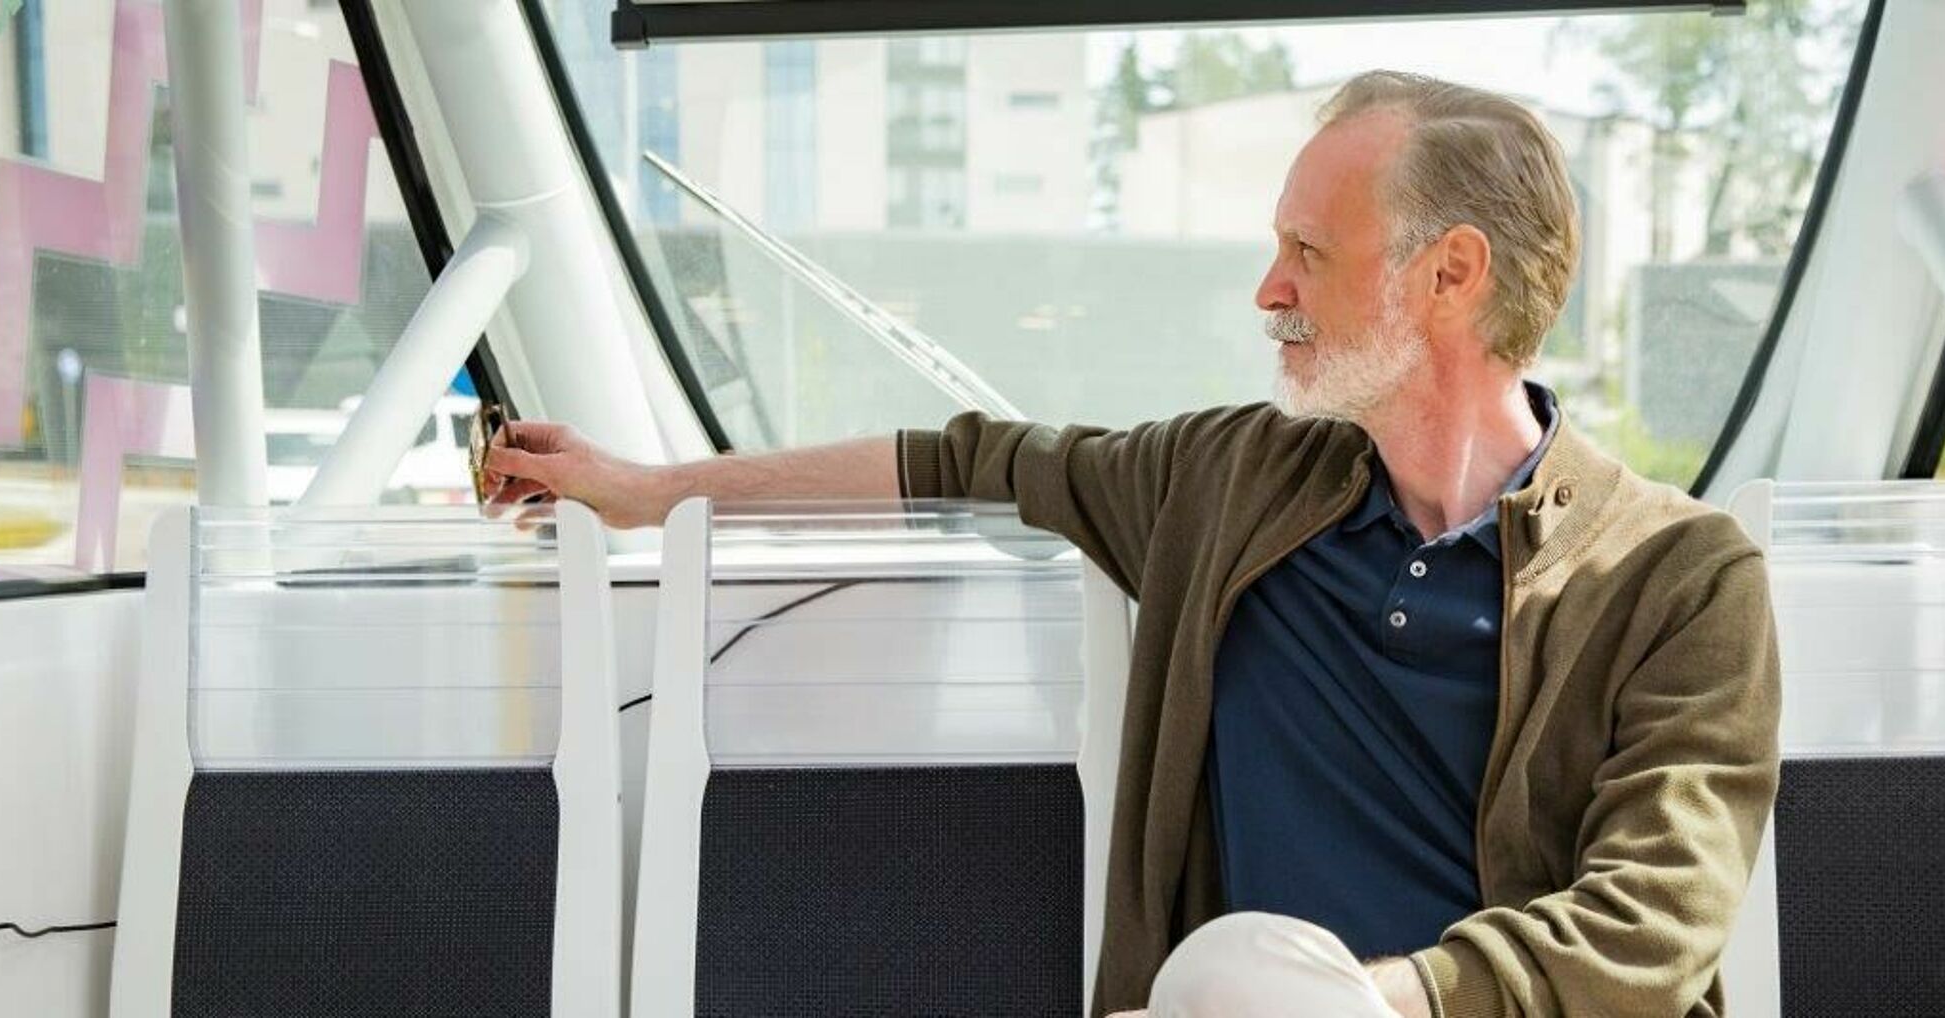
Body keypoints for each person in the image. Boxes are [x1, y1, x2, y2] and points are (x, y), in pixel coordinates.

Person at [484, 70, 1779, 1018]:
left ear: (1450, 275)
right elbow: (959, 459)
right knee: (1220, 975)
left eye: (1307, 253)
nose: (1268, 289)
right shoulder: (1226, 479)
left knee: (1231, 980)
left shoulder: (1678, 576)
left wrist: (1378, 1005)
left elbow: (1651, 925)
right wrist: (649, 489)